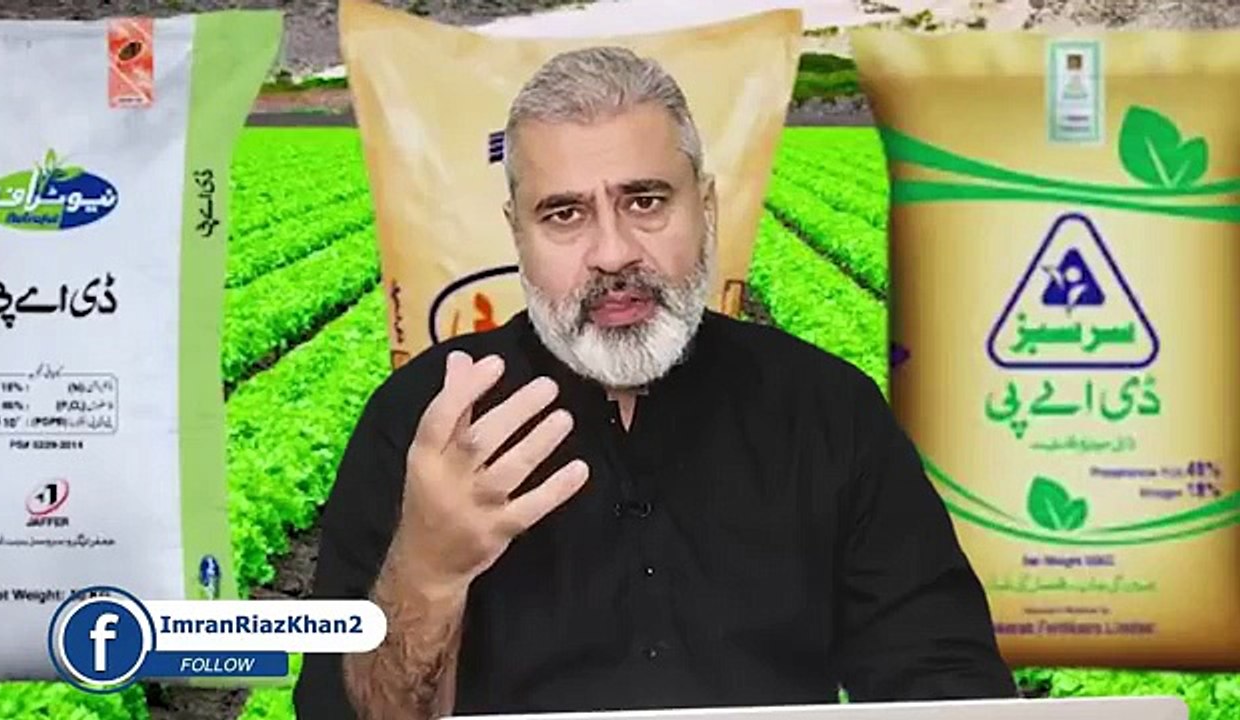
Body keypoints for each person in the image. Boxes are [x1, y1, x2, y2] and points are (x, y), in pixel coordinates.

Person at [293, 45, 1018, 720]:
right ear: (517, 233)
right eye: (565, 214)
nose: (613, 253)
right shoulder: (422, 421)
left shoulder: (827, 410)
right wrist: (428, 571)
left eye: (645, 202)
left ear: (705, 206)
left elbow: (944, 679)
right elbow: (342, 712)